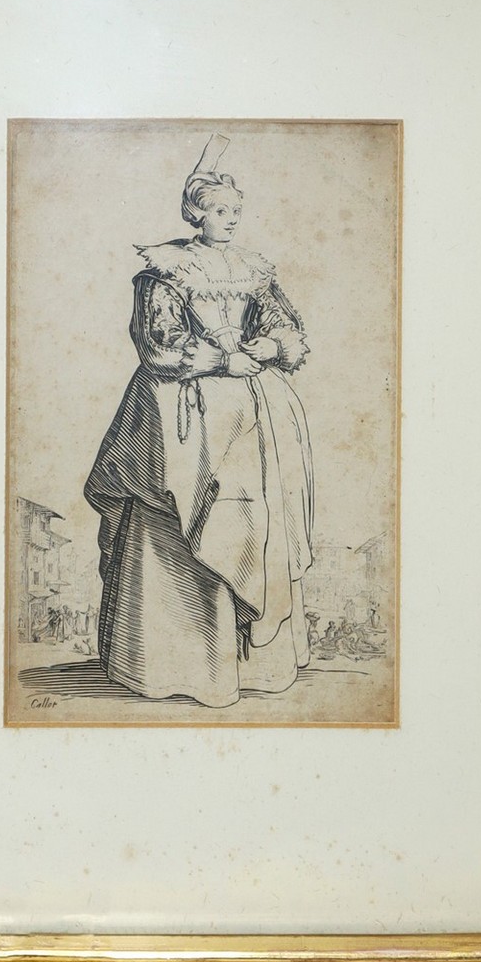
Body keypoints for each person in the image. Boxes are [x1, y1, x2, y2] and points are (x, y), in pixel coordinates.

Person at [84, 137, 314, 707]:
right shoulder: (165, 269)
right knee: (174, 515)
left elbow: (287, 327)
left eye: (235, 211)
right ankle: (173, 665)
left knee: (260, 513)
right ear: (195, 213)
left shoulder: (254, 269)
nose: (229, 220)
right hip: (182, 407)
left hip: (253, 408)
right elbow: (158, 344)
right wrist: (219, 360)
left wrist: (267, 348)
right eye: (218, 211)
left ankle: (254, 663)